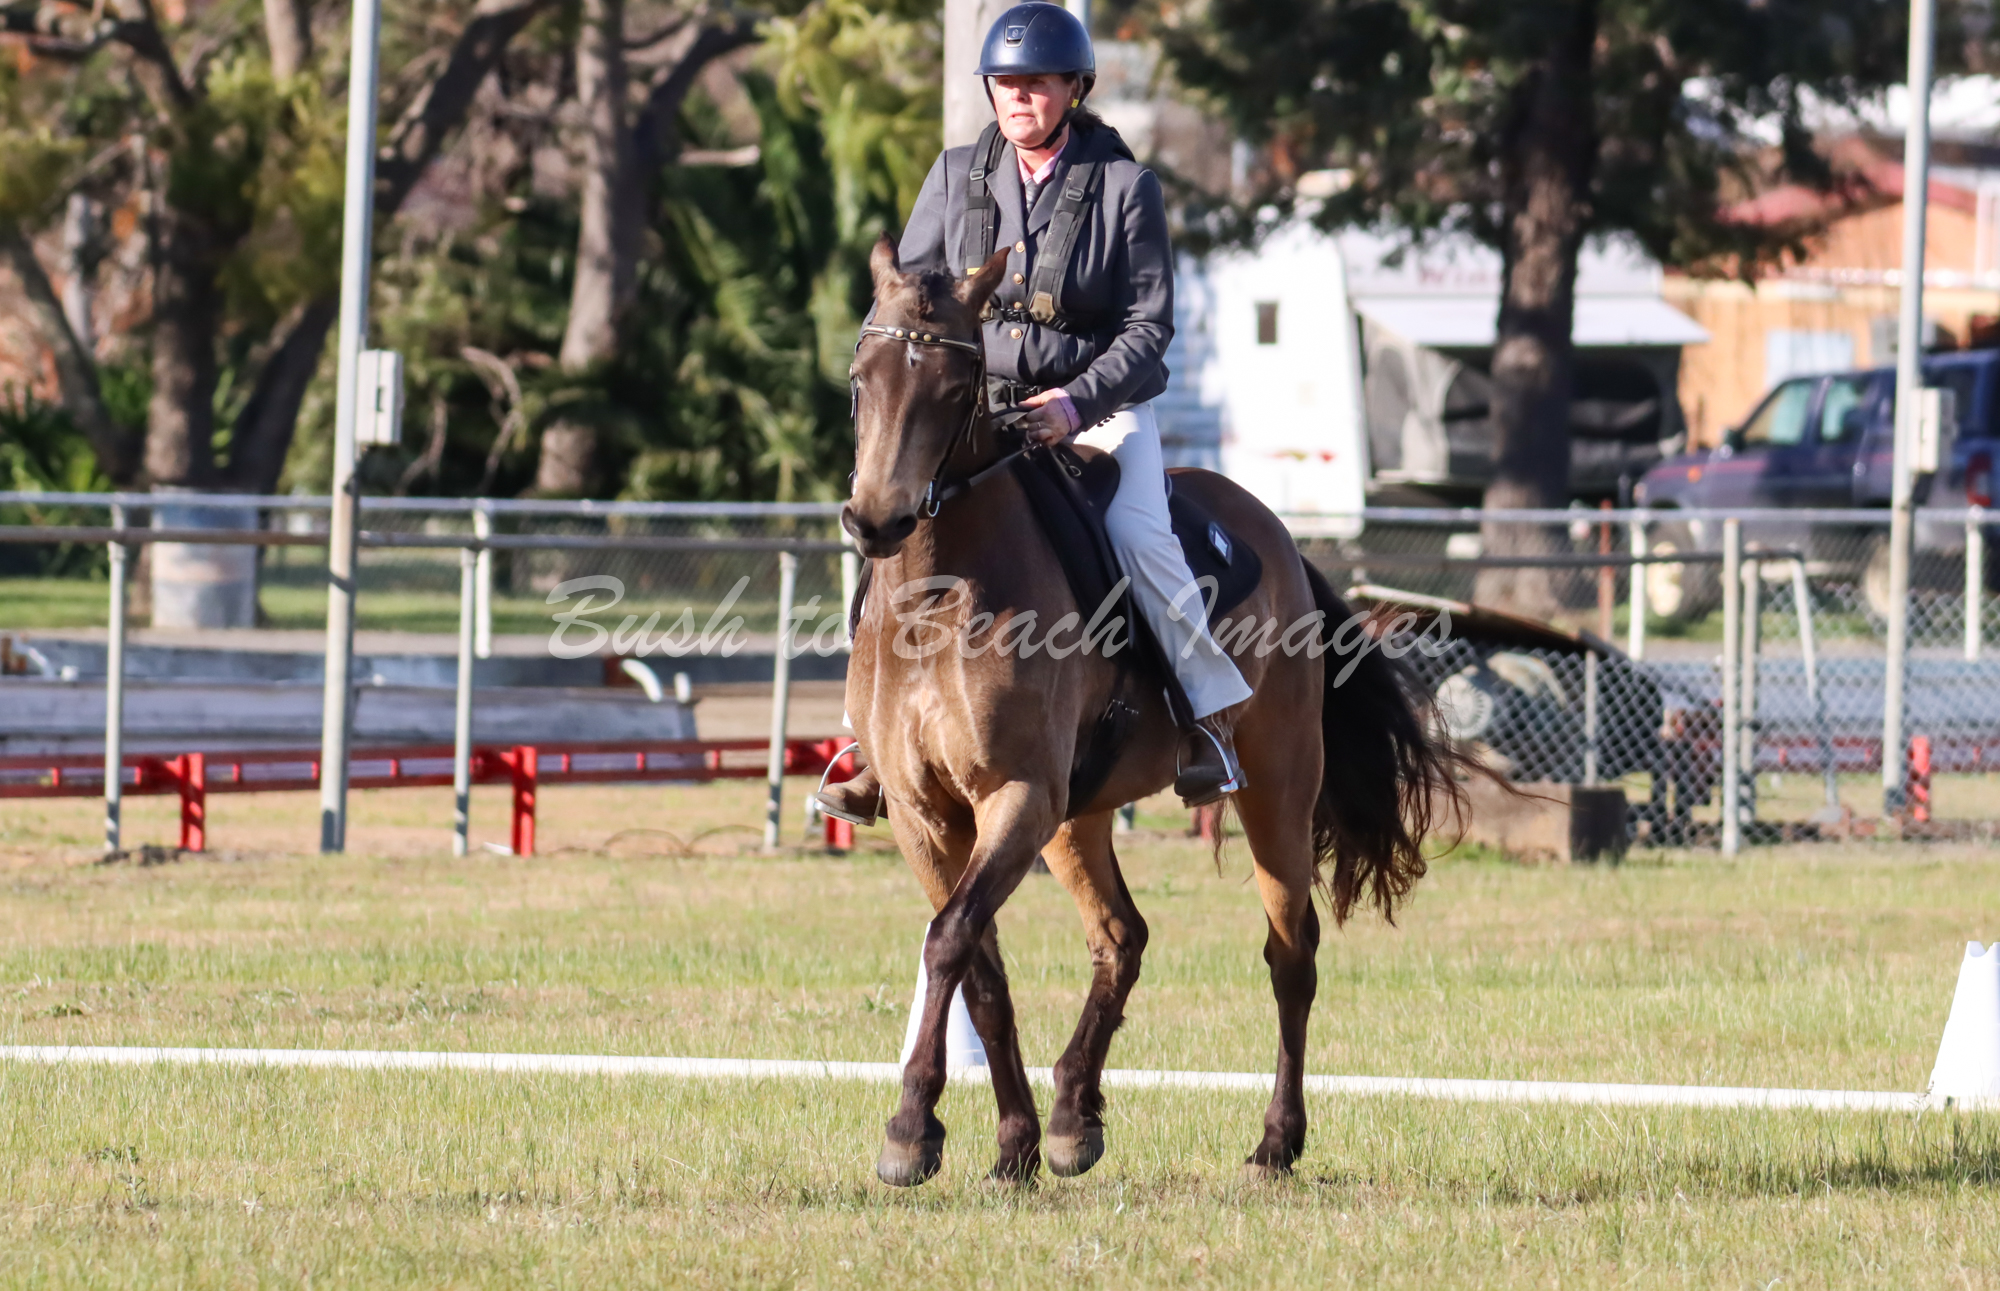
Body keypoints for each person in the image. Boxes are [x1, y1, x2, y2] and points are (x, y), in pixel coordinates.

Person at [817, 0, 1252, 826]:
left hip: (1097, 408)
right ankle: (870, 741)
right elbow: (908, 297)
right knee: (885, 521)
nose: (1021, 97)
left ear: (1073, 89)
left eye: (1039, 83)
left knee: (1139, 533)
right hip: (976, 411)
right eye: (1007, 84)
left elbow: (1149, 329)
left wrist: (1078, 402)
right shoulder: (955, 176)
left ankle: (1207, 718)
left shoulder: (1125, 188)